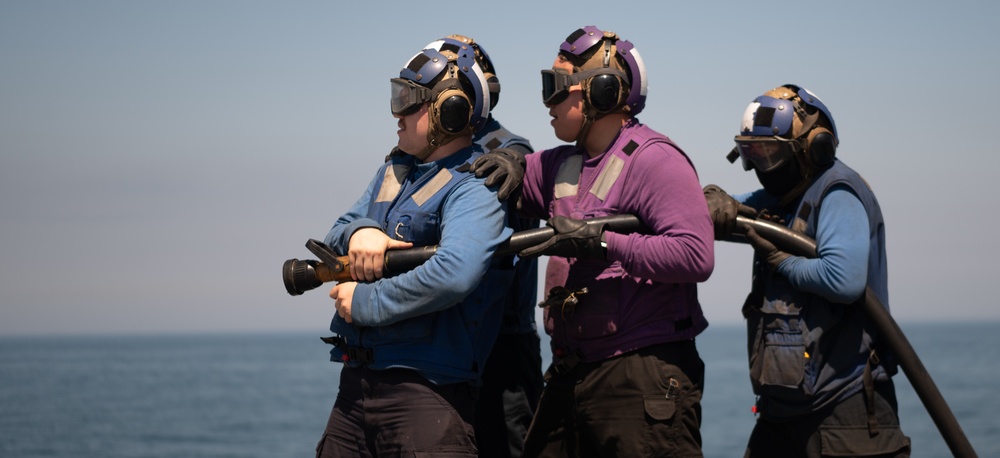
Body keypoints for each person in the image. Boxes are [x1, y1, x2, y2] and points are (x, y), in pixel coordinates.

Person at [471, 25, 715, 457]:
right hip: (572, 371)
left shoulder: (655, 159)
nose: (548, 101)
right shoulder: (560, 164)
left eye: (556, 87)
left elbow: (695, 255)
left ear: (601, 91)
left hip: (641, 375)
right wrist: (509, 158)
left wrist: (602, 242)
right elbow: (518, 173)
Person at [313, 39, 515, 457]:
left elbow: (455, 272)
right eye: (396, 96)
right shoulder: (396, 169)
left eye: (409, 101)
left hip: (426, 395)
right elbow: (338, 228)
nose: (397, 114)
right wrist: (360, 233)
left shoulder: (475, 186)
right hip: (355, 390)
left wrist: (366, 303)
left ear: (451, 110)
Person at [703, 84, 911, 457]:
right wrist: (713, 199)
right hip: (783, 411)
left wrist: (784, 262)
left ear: (814, 149)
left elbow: (844, 278)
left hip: (842, 412)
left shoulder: (836, 191)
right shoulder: (782, 198)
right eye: (753, 155)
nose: (763, 168)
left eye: (771, 154)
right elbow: (737, 211)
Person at [429, 35, 545, 458]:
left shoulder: (509, 149)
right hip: (444, 340)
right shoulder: (425, 158)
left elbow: (521, 160)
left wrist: (515, 165)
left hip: (503, 344)